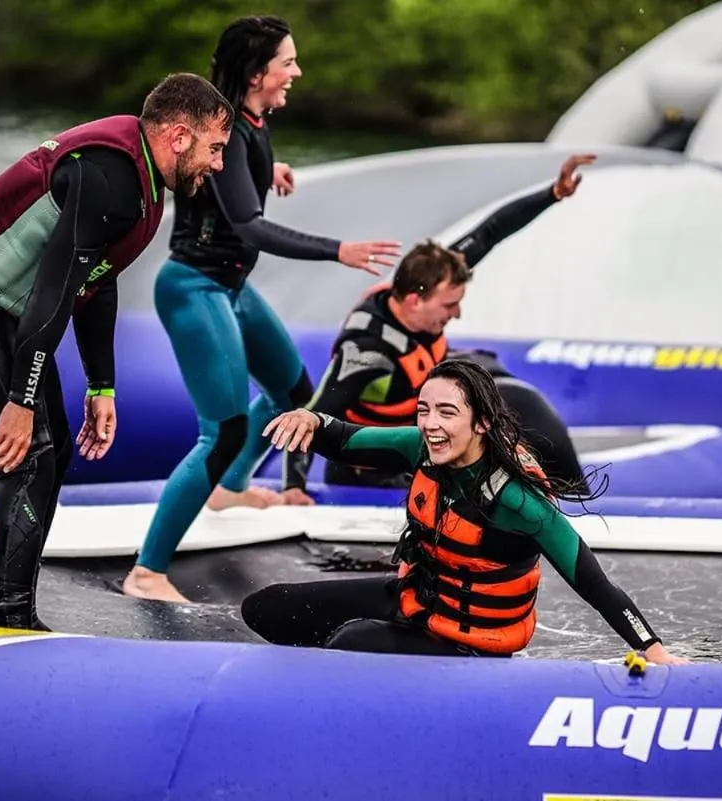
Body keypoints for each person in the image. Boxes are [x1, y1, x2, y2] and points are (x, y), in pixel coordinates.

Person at [0, 73, 234, 630]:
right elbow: (54, 291)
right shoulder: (109, 178)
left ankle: (13, 604)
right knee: (30, 454)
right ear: (180, 136)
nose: (219, 164)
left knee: (54, 451)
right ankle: (9, 618)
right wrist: (19, 398)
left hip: (10, 314)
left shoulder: (142, 178)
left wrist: (101, 384)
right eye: (216, 148)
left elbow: (97, 283)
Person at [120, 15, 402, 604]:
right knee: (219, 431)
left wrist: (263, 171)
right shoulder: (229, 127)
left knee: (292, 393)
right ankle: (146, 571)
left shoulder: (248, 123)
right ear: (256, 73)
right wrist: (338, 251)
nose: (296, 72)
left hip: (232, 287)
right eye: (287, 62)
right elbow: (247, 222)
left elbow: (234, 182)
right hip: (194, 286)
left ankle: (228, 488)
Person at [246, 356, 688, 664]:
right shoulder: (420, 446)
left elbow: (594, 583)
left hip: (470, 639)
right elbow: (342, 437)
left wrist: (651, 647)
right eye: (423, 411)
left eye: (446, 413)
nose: (431, 425)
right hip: (417, 598)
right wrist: (313, 420)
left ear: (480, 422)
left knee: (349, 643)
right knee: (266, 608)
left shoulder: (517, 501)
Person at [280, 155, 596, 502]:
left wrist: (552, 193)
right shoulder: (367, 351)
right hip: (379, 469)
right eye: (449, 306)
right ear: (416, 301)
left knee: (523, 402)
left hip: (430, 415)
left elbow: (490, 232)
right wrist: (294, 488)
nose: (457, 313)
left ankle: (577, 501)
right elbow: (312, 416)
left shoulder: (430, 275)